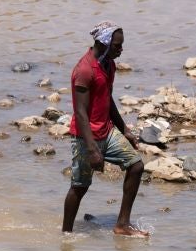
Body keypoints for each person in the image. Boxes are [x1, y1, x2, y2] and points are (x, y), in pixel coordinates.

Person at [63, 21, 147, 236]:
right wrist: (92, 150)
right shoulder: (84, 70)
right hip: (86, 137)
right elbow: (80, 112)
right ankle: (66, 235)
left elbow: (107, 99)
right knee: (80, 187)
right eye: (117, 46)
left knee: (136, 166)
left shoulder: (108, 64)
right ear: (104, 43)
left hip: (107, 131)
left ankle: (122, 225)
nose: (121, 50)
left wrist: (124, 130)